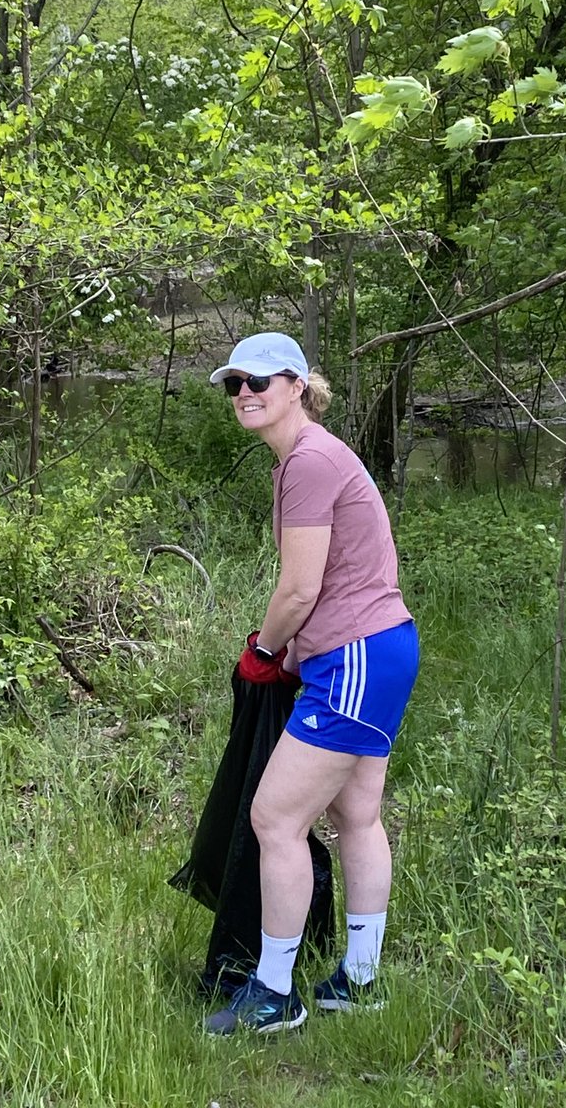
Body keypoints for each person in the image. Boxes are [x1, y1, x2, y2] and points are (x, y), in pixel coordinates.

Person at [204, 332, 419, 1035]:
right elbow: (325, 581)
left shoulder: (310, 461)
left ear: (298, 385)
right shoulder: (308, 458)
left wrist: (266, 651)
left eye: (261, 381)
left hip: (356, 660)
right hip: (369, 653)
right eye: (236, 382)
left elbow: (299, 588)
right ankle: (358, 982)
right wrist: (293, 655)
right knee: (355, 816)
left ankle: (273, 995)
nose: (245, 393)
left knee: (275, 819)